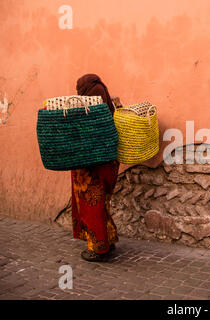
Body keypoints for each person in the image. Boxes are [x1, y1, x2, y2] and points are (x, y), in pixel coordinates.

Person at [71, 74, 120, 262]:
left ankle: (98, 248)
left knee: (92, 207)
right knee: (102, 206)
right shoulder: (110, 109)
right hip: (108, 164)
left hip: (91, 167)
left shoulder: (87, 111)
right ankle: (108, 240)